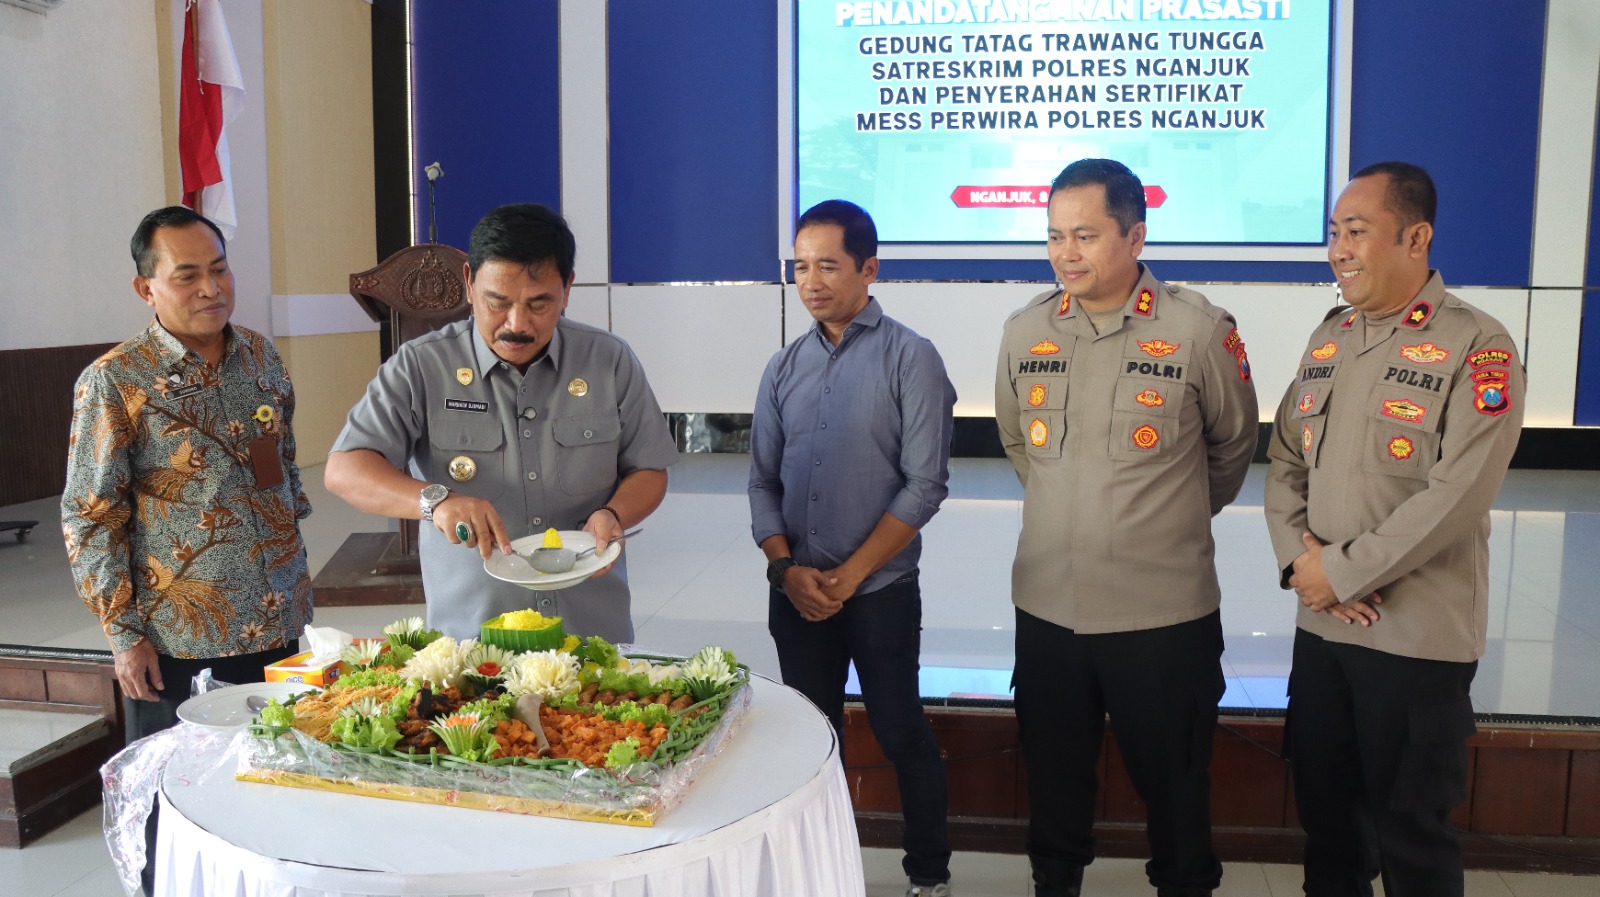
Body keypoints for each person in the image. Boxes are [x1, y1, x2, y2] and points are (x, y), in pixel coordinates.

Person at [995, 159, 1259, 897]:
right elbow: (1022, 448)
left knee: (1175, 784)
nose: (1065, 252)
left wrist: (1158, 520)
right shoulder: (1024, 330)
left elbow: (1233, 446)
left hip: (1161, 613)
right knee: (1053, 781)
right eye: (1053, 236)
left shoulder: (1198, 330)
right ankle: (1056, 882)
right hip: (1048, 607)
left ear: (1135, 235)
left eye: (1085, 234)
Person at [1264, 162, 1525, 897]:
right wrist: (1300, 567)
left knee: (1412, 835)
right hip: (1323, 633)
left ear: (1417, 236)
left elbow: (1458, 495)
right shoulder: (1330, 338)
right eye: (1332, 233)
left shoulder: (1479, 345)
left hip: (1414, 642)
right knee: (1329, 829)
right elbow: (1283, 462)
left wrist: (1340, 572)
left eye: (1356, 230)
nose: (1338, 249)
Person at [62, 206, 314, 896]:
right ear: (147, 289)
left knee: (277, 782)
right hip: (182, 638)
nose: (211, 288)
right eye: (188, 275)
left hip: (281, 624)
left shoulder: (260, 354)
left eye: (220, 268)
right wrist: (124, 634)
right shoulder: (116, 382)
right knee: (175, 800)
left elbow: (279, 462)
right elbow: (89, 517)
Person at [325, 203, 676, 642]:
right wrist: (436, 500)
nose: (517, 324)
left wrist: (613, 514)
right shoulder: (423, 366)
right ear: (470, 284)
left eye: (539, 304)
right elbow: (345, 470)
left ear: (567, 289)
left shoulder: (608, 360)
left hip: (590, 630)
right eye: (498, 302)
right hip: (473, 641)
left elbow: (649, 468)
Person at [748, 200, 956, 897]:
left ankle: (928, 872)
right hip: (797, 592)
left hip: (879, 593)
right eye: (800, 266)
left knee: (901, 731)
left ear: (869, 268)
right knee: (810, 740)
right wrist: (786, 570)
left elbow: (925, 486)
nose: (811, 281)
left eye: (828, 265)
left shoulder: (911, 357)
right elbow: (761, 482)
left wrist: (848, 575)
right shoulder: (782, 367)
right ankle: (818, 874)